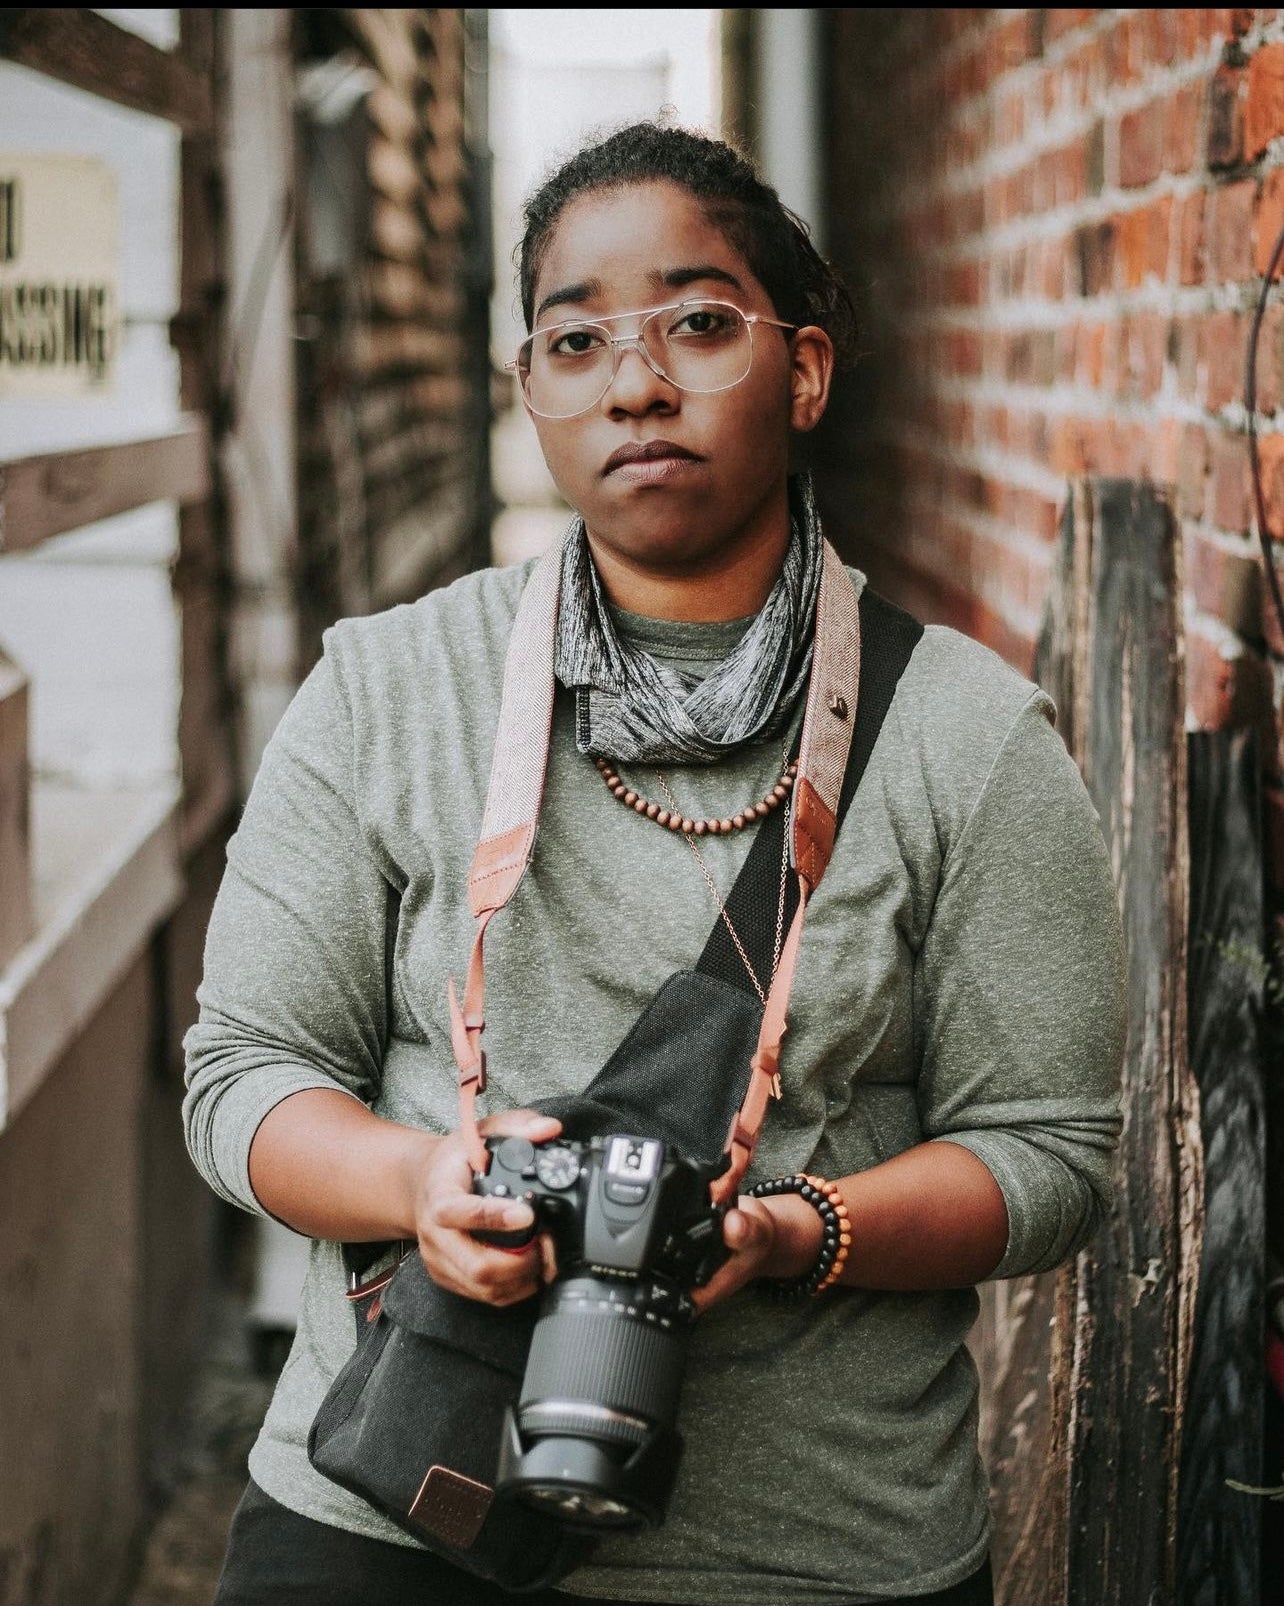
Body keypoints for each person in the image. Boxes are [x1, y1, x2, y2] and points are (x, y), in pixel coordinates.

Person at [185, 123, 1126, 1606]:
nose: (634, 384)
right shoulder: (387, 688)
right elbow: (242, 1073)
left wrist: (797, 1229)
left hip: (812, 1548)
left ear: (804, 370)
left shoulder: (970, 738)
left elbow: (1052, 1152)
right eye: (576, 342)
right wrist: (426, 1181)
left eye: (696, 323)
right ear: (532, 393)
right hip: (391, 1511)